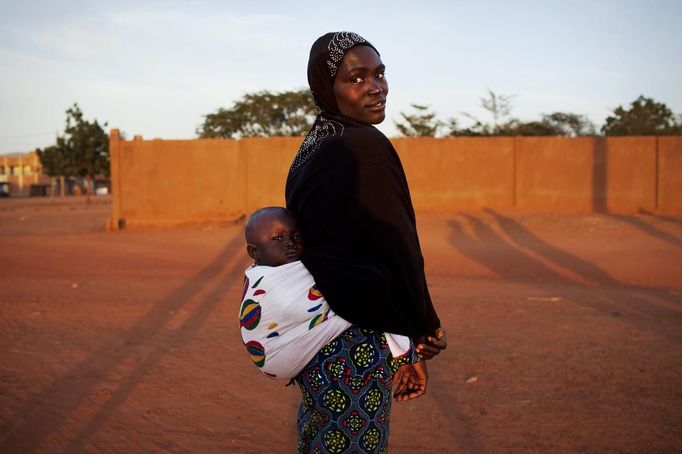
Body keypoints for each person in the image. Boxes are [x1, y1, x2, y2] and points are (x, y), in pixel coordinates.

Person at [285, 32, 447, 452]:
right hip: (356, 345)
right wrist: (423, 327)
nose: (375, 87)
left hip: (319, 344)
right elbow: (398, 249)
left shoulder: (313, 146)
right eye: (357, 78)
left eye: (379, 74)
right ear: (326, 87)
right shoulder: (362, 146)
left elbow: (346, 255)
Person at [239, 206, 412, 380]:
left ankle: (401, 344)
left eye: (296, 236)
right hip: (278, 354)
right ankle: (403, 349)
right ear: (254, 252)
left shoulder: (297, 267)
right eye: (277, 238)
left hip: (289, 351)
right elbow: (318, 299)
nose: (290, 242)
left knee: (359, 298)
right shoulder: (264, 280)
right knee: (356, 304)